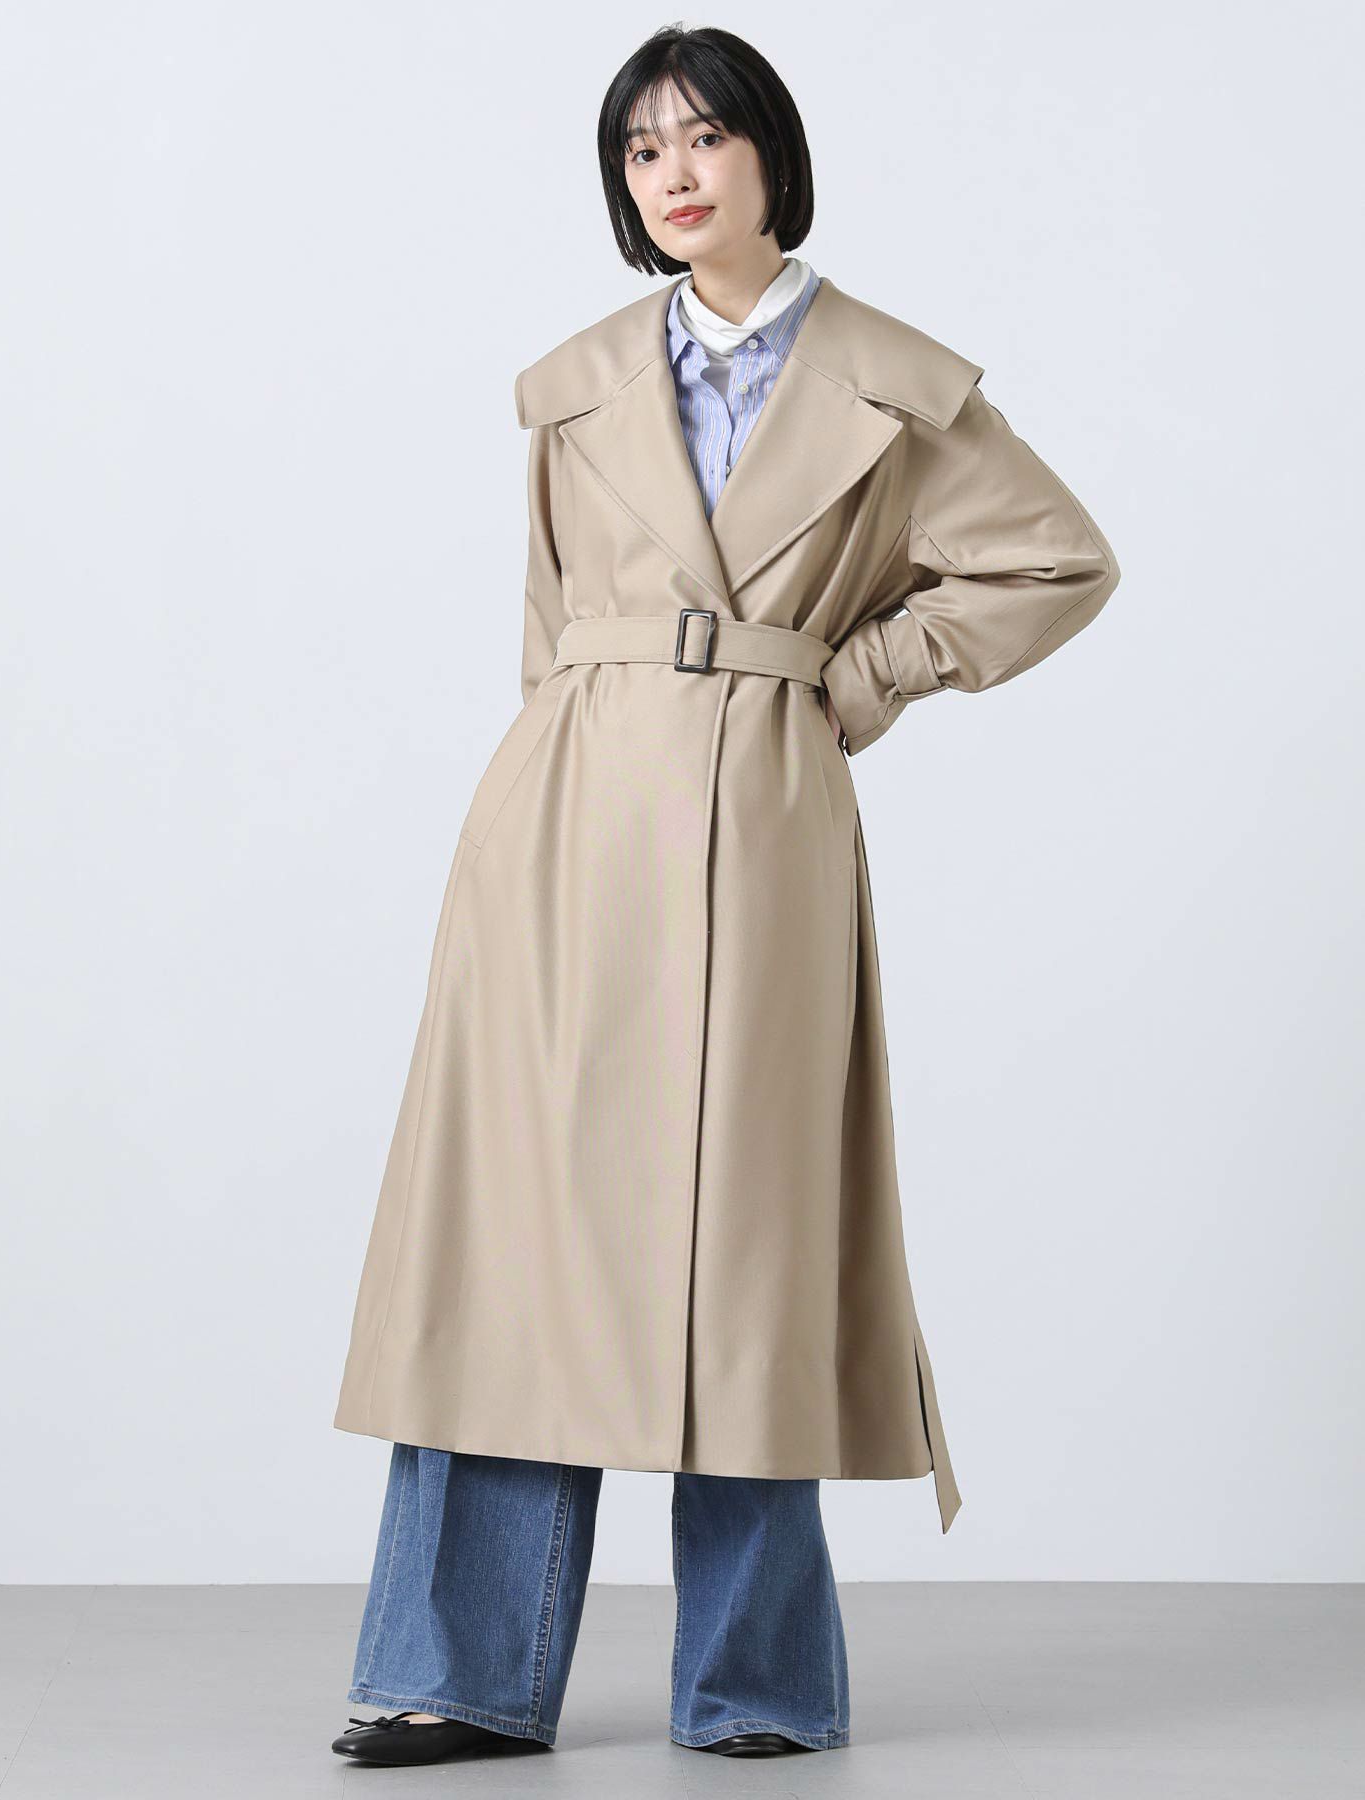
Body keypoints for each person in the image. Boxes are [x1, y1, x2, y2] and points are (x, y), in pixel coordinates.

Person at [330, 23, 1119, 1770]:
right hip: (565, 819)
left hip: (762, 821)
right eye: (642, 151)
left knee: (746, 1243)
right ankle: (457, 1671)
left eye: (704, 138)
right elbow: (545, 636)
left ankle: (755, 1684)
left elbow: (1058, 558)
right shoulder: (576, 386)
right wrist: (539, 818)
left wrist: (858, 673)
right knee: (512, 1236)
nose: (674, 174)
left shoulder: (897, 386)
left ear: (772, 155)